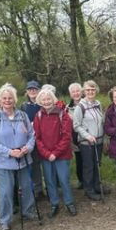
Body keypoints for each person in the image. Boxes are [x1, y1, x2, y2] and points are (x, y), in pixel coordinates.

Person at [0, 84, 37, 230]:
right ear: (0, 100)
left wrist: (27, 148)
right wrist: (9, 152)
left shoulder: (23, 115)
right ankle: (4, 221)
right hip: (4, 161)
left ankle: (28, 212)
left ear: (15, 100)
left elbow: (32, 135)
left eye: (10, 98)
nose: (7, 101)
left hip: (24, 158)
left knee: (27, 187)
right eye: (4, 98)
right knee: (6, 192)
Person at [33, 88, 76, 217]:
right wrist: (47, 154)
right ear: (40, 101)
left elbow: (67, 136)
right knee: (49, 180)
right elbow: (37, 137)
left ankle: (69, 203)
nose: (46, 102)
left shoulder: (63, 114)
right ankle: (54, 203)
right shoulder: (38, 116)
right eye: (43, 99)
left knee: (64, 179)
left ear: (53, 99)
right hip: (45, 155)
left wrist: (55, 153)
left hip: (61, 154)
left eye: (48, 99)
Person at [73, 80, 106, 202]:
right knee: (89, 166)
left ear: (96, 91)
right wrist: (87, 136)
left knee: (97, 164)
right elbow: (76, 126)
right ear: (84, 91)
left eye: (92, 89)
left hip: (99, 141)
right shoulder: (80, 107)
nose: (90, 92)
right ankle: (89, 190)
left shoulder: (98, 104)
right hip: (87, 142)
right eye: (88, 90)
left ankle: (97, 185)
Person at [20, 80, 44, 199]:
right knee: (35, 165)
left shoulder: (44, 103)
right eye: (30, 89)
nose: (32, 91)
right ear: (27, 92)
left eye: (34, 89)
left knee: (47, 164)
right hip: (32, 139)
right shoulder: (24, 106)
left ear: (39, 90)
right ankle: (38, 189)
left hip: (45, 139)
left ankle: (52, 187)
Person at [67, 82, 84, 189]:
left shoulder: (87, 103)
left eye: (78, 91)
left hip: (87, 136)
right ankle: (81, 180)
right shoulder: (67, 108)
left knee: (88, 160)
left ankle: (91, 180)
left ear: (81, 92)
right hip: (75, 138)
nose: (76, 93)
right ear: (70, 94)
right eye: (73, 92)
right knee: (79, 160)